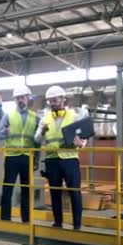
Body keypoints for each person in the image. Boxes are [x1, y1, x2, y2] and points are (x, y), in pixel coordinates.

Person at [34, 85, 87, 230]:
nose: (52, 103)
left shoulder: (74, 116)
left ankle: (77, 224)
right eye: (50, 101)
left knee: (74, 192)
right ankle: (58, 222)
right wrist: (42, 132)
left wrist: (82, 143)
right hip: (52, 160)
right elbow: (37, 139)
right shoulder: (44, 119)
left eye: (55, 100)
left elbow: (83, 135)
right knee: (54, 192)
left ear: (63, 99)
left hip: (70, 159)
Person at [0, 85, 40, 223]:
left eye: (23, 97)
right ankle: (5, 218)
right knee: (8, 188)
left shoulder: (35, 118)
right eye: (18, 98)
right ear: (15, 100)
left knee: (26, 189)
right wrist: (5, 132)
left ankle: (26, 219)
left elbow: (38, 140)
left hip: (28, 157)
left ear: (28, 98)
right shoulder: (8, 116)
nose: (20, 100)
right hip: (12, 157)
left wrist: (36, 159)